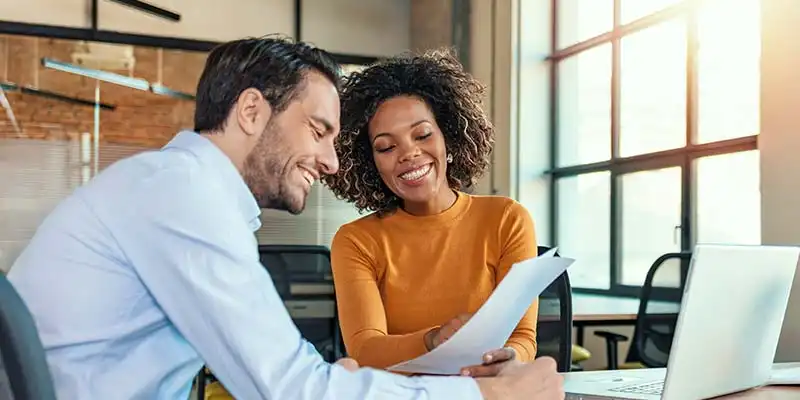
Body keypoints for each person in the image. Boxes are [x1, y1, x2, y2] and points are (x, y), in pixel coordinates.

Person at [6, 36, 563, 399]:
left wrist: (338, 381)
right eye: (319, 130)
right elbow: (287, 389)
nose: (331, 160)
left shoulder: (180, 191)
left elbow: (282, 375)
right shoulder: (182, 196)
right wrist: (488, 396)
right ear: (252, 111)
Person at [323, 49, 540, 378]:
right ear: (371, 163)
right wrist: (434, 340)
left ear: (449, 140)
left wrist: (510, 359)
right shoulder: (355, 240)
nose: (409, 153)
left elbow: (522, 338)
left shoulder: (507, 219)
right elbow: (365, 349)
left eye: (422, 135)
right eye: (386, 147)